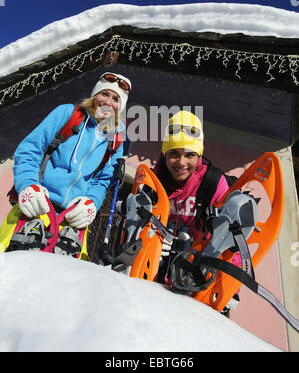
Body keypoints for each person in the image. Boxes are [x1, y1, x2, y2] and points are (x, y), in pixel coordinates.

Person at [12, 71, 132, 230]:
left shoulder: (115, 139)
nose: (108, 102)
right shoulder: (68, 114)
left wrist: (92, 202)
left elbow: (103, 180)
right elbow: (30, 150)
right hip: (38, 202)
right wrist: (28, 184)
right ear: (95, 95)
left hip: (72, 218)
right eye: (104, 94)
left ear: (120, 106)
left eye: (116, 99)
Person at [153, 110, 240, 313]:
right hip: (157, 271)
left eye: (190, 155)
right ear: (165, 153)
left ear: (198, 155)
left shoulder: (213, 182)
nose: (181, 163)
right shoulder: (154, 180)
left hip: (199, 276)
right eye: (174, 153)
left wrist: (229, 284)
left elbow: (231, 234)